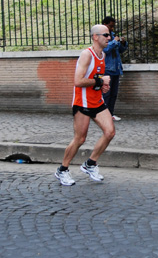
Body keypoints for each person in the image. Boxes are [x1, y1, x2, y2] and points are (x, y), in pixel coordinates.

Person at [54, 24, 116, 186]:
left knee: (110, 132)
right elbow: (78, 81)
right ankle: (62, 170)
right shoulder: (86, 55)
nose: (109, 38)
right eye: (106, 35)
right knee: (80, 139)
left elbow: (94, 78)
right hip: (82, 103)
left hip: (97, 101)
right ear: (95, 37)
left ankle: (90, 164)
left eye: (110, 35)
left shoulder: (102, 55)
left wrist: (101, 86)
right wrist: (100, 80)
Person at [102, 16, 128, 121]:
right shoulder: (102, 36)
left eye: (113, 26)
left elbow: (120, 50)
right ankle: (103, 115)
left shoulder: (112, 36)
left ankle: (110, 114)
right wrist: (115, 42)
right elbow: (106, 49)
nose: (112, 28)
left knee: (113, 93)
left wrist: (123, 43)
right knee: (106, 94)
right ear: (105, 24)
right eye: (110, 26)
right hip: (107, 69)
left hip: (116, 69)